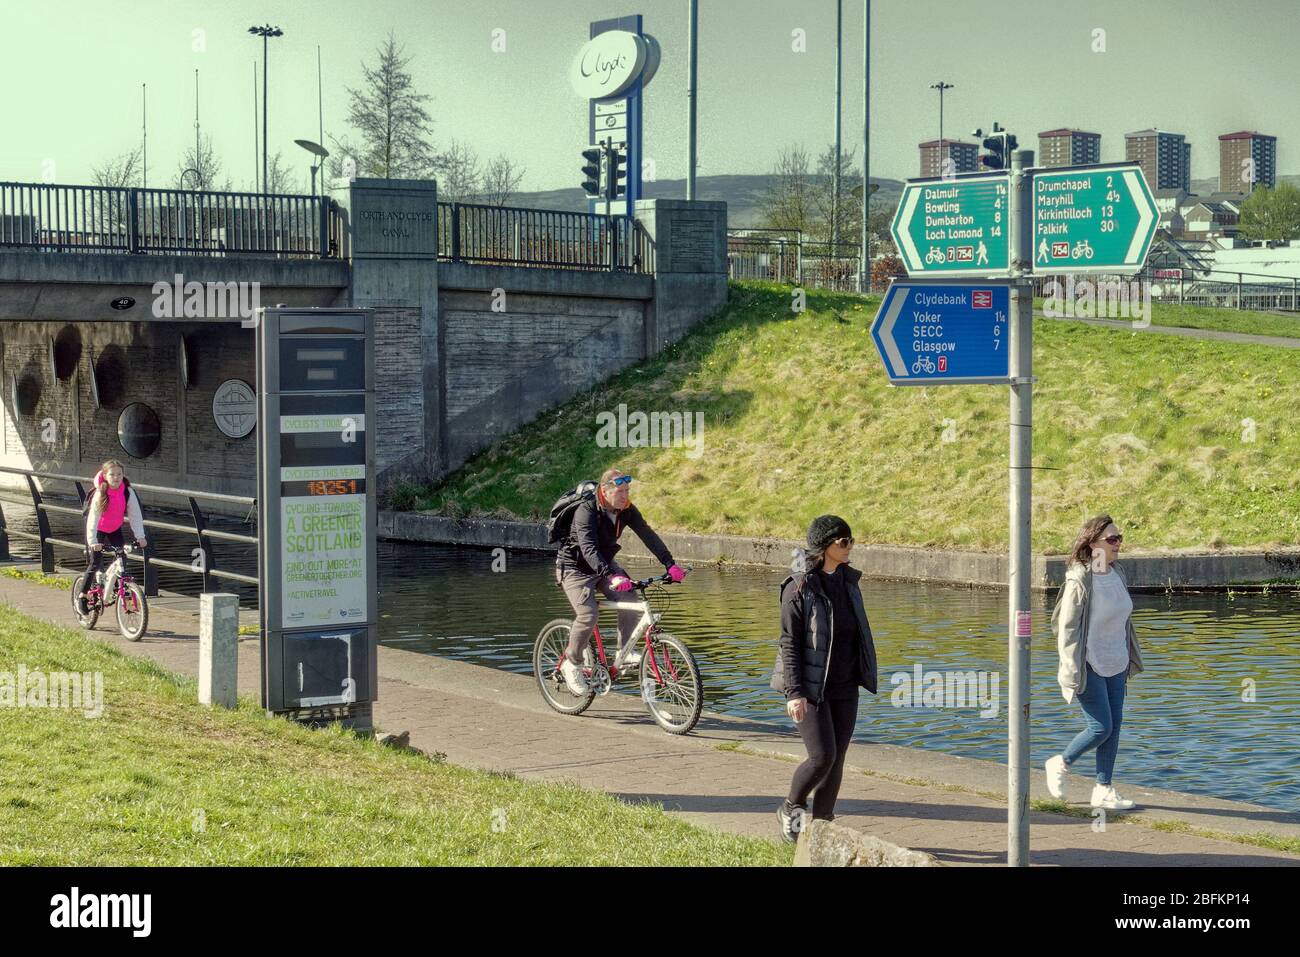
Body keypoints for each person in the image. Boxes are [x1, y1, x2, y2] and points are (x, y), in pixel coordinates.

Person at [772, 515, 878, 842]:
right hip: (810, 688)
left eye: (851, 541)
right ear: (825, 546)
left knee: (838, 758)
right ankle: (791, 806)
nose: (849, 547)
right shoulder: (798, 586)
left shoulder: (848, 580)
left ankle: (822, 826)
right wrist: (794, 692)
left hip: (845, 684)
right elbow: (789, 642)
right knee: (822, 756)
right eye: (843, 542)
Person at [1044, 514, 1145, 811]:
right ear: (1092, 543)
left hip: (1117, 661)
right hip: (1088, 663)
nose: (1118, 544)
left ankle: (1103, 789)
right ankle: (1060, 763)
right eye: (1112, 539)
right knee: (1101, 727)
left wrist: (1129, 656)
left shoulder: (1118, 573)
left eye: (1119, 538)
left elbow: (1124, 621)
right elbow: (1066, 628)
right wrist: (1071, 669)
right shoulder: (1080, 580)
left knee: (1114, 728)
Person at [554, 468, 685, 695]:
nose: (626, 496)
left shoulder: (626, 510)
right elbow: (588, 549)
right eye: (620, 491)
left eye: (627, 490)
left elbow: (647, 535)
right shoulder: (586, 511)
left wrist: (669, 563)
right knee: (588, 613)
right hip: (575, 568)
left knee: (631, 596)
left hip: (604, 564)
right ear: (605, 491)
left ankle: (625, 650)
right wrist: (611, 575)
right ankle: (572, 663)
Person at [78, 460, 147, 613]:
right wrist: (93, 541)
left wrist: (140, 536)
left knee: (122, 558)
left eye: (119, 474)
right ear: (105, 476)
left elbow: (135, 515)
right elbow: (93, 518)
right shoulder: (100, 492)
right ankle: (82, 596)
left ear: (123, 475)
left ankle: (117, 588)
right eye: (112, 474)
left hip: (114, 528)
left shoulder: (127, 491)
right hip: (98, 530)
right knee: (95, 562)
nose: (116, 478)